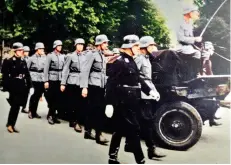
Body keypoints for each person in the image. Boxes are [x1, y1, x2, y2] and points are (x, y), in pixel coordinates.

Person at [106, 35, 160, 164]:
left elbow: (139, 79)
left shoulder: (132, 61)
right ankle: (140, 160)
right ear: (130, 47)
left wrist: (150, 91)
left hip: (132, 100)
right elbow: (110, 83)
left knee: (119, 129)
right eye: (136, 46)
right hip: (123, 100)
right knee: (134, 128)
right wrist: (109, 103)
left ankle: (112, 157)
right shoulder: (118, 61)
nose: (138, 48)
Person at [83, 34, 111, 145]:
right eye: (105, 43)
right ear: (99, 44)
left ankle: (88, 131)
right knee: (97, 110)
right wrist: (84, 87)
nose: (107, 45)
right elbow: (85, 71)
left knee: (95, 109)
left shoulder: (102, 55)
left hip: (101, 85)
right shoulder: (92, 54)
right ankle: (98, 134)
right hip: (93, 85)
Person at [2, 42, 32, 133]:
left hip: (22, 85)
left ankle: (12, 124)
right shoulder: (9, 61)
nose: (21, 52)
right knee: (14, 106)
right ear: (15, 51)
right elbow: (5, 75)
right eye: (19, 50)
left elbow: (27, 74)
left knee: (17, 106)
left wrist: (30, 85)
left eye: (22, 50)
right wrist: (7, 87)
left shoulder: (23, 61)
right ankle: (10, 124)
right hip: (13, 85)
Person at [61, 38, 88, 132]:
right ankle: (73, 121)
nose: (80, 46)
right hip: (72, 80)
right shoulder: (70, 56)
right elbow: (65, 70)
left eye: (82, 45)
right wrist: (63, 83)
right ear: (75, 45)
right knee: (72, 102)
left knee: (80, 103)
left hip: (81, 81)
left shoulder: (85, 56)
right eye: (79, 44)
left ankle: (77, 121)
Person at [176, 4, 202, 80]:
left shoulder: (190, 23)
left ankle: (194, 74)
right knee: (197, 53)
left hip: (189, 47)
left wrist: (196, 39)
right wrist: (195, 39)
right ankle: (195, 74)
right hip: (181, 47)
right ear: (189, 12)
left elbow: (190, 38)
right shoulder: (180, 23)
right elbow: (181, 38)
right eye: (195, 12)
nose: (197, 13)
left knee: (199, 52)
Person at [44, 40, 65, 125]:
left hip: (59, 78)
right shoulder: (50, 56)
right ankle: (50, 115)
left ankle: (54, 115)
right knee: (52, 98)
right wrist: (46, 80)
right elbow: (46, 69)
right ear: (55, 46)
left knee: (58, 98)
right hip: (52, 78)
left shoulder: (62, 56)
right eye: (59, 46)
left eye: (61, 46)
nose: (60, 47)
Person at [27, 42, 46, 119]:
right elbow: (27, 70)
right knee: (34, 95)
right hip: (33, 78)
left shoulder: (44, 58)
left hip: (41, 78)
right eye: (40, 49)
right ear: (37, 49)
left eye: (42, 49)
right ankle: (31, 111)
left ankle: (34, 112)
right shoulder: (31, 58)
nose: (42, 50)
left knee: (38, 95)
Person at [20, 46, 31, 114]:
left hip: (27, 78)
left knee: (26, 93)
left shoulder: (29, 58)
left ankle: (23, 107)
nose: (27, 53)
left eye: (28, 51)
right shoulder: (21, 59)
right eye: (26, 51)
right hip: (21, 78)